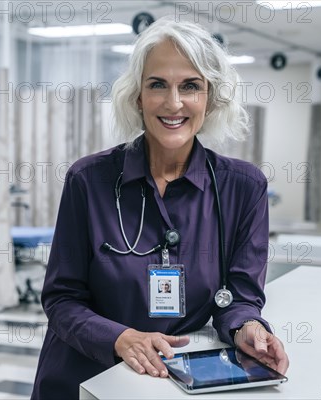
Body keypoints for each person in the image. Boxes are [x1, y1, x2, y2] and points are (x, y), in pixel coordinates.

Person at [31, 17, 289, 399]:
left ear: (211, 97)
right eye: (157, 85)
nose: (173, 102)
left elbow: (240, 295)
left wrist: (247, 327)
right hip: (84, 376)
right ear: (137, 95)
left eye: (190, 86)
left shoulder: (243, 187)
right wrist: (119, 337)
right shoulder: (88, 180)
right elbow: (62, 298)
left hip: (177, 382)